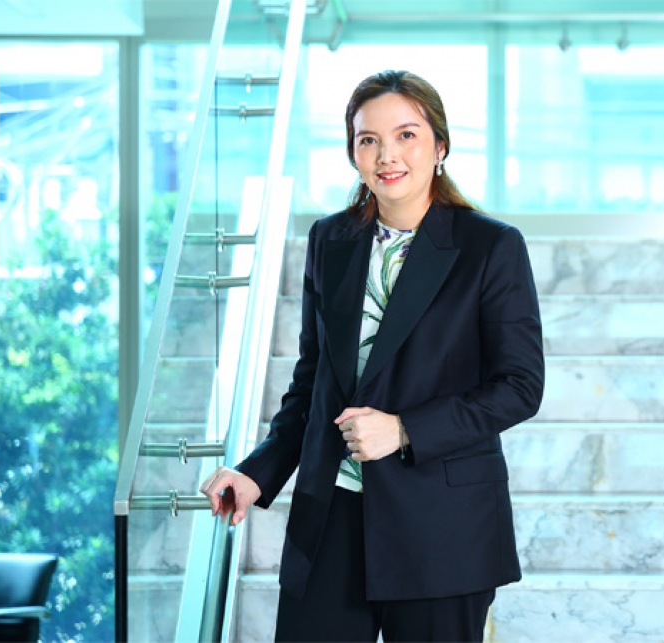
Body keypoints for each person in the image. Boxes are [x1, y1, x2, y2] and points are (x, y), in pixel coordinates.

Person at [199, 69, 545, 643]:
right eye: (368, 139)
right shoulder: (330, 241)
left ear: (440, 146)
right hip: (330, 517)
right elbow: (313, 381)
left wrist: (404, 429)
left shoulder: (491, 247)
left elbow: (520, 386)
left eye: (406, 135)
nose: (387, 155)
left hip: (440, 526)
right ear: (352, 152)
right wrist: (259, 472)